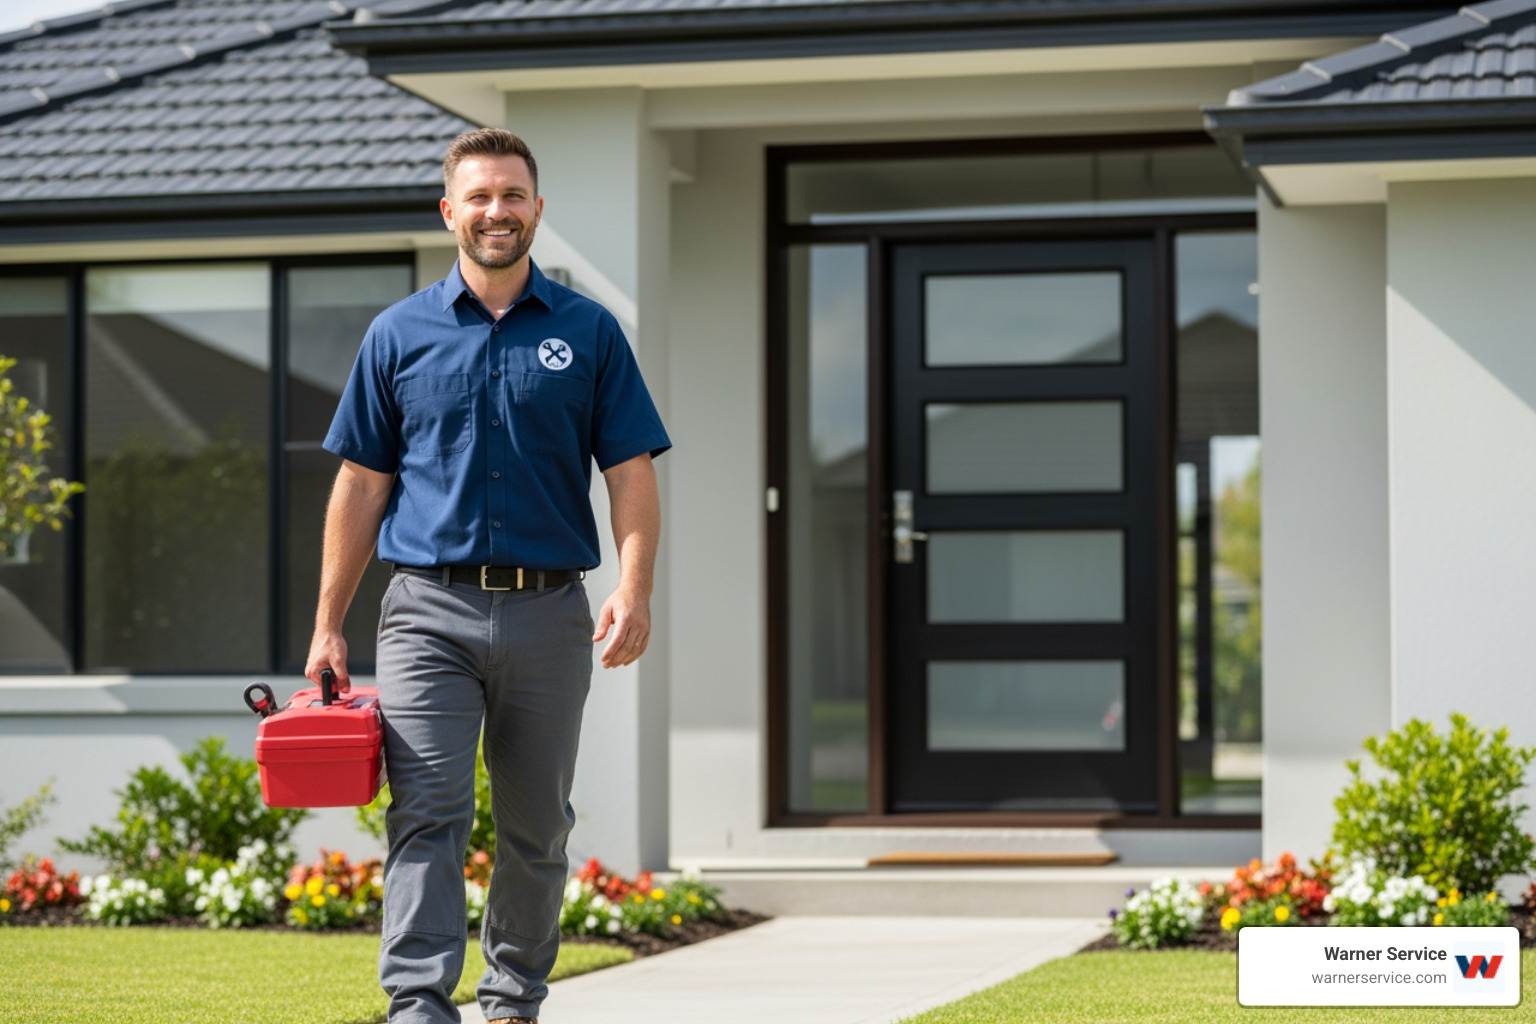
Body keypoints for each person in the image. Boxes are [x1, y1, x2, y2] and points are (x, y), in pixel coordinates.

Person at [306, 126, 670, 1024]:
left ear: (537, 210)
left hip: (550, 615)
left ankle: (512, 1001)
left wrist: (635, 587)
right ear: (449, 212)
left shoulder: (589, 333)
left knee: (538, 829)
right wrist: (327, 622)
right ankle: (419, 1005)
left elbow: (630, 474)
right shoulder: (398, 334)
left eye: (512, 195)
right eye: (479, 197)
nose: (496, 212)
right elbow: (360, 481)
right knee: (427, 813)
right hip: (426, 610)